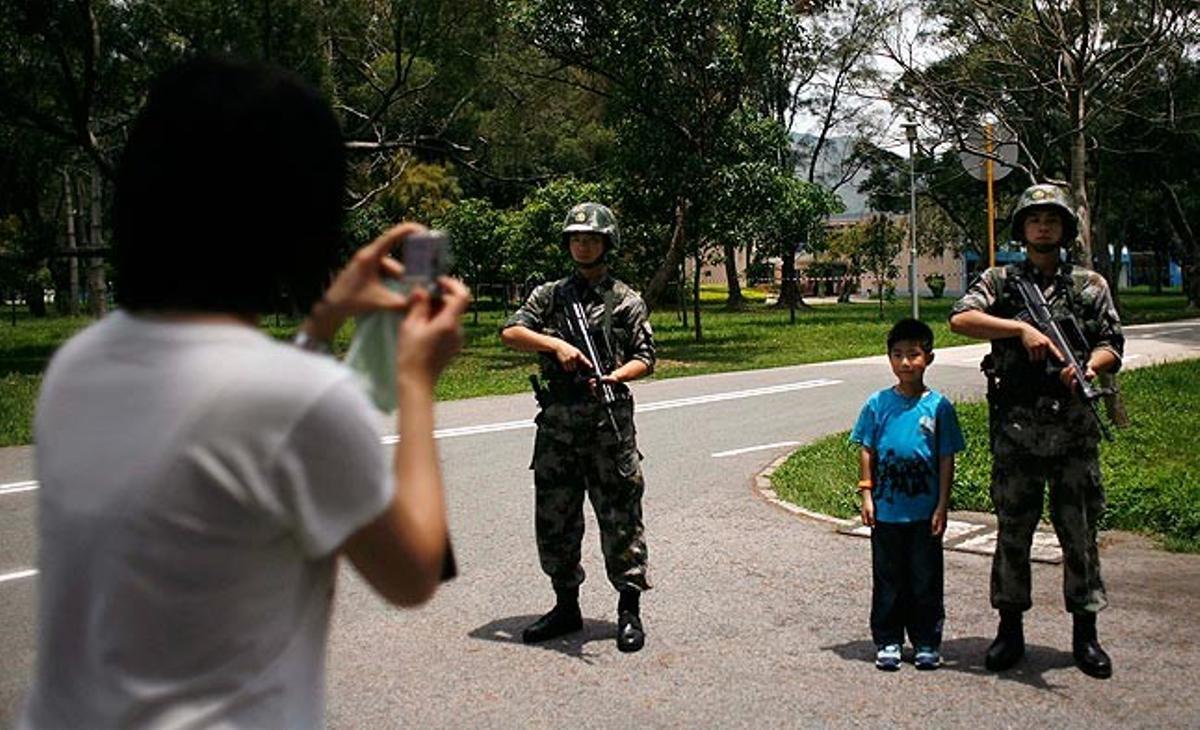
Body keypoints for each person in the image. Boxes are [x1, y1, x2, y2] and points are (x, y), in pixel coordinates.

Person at [20, 57, 470, 726]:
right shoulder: (299, 401)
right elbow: (414, 573)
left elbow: (238, 412)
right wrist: (414, 379)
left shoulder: (76, 365)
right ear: (300, 218)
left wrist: (321, 324)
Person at [949, 183, 1124, 679]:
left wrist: (1089, 367)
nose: (1043, 226)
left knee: (1080, 534)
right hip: (1017, 431)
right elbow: (961, 318)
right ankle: (1009, 630)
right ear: (1022, 229)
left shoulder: (1090, 284)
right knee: (1014, 533)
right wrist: (1019, 330)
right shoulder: (1001, 282)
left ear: (1065, 228)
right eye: (1034, 219)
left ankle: (1085, 635)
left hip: (1073, 431)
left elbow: (1113, 341)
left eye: (1052, 219)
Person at [499, 202, 655, 653]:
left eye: (590, 238)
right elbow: (512, 331)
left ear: (608, 244)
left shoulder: (625, 300)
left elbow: (645, 358)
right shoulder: (550, 296)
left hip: (609, 424)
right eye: (575, 238)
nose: (582, 244)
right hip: (558, 429)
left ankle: (629, 610)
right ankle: (566, 605)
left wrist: (615, 376)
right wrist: (554, 345)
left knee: (621, 519)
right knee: (556, 520)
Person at [851, 318, 965, 671]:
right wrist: (867, 494)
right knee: (888, 580)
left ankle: (927, 641)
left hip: (924, 513)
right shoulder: (877, 404)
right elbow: (866, 449)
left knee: (925, 579)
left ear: (928, 358)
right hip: (886, 512)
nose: (905, 363)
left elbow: (946, 458)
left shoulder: (939, 407)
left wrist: (942, 505)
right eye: (897, 355)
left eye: (913, 355)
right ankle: (888, 640)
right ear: (888, 359)